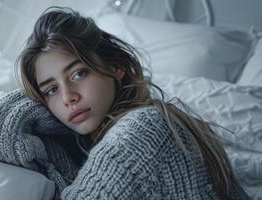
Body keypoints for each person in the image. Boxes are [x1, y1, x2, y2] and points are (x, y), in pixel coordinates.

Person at [15, 6, 250, 200]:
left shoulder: (141, 129)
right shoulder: (95, 139)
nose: (68, 98)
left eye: (79, 74)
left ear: (115, 67)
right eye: (52, 89)